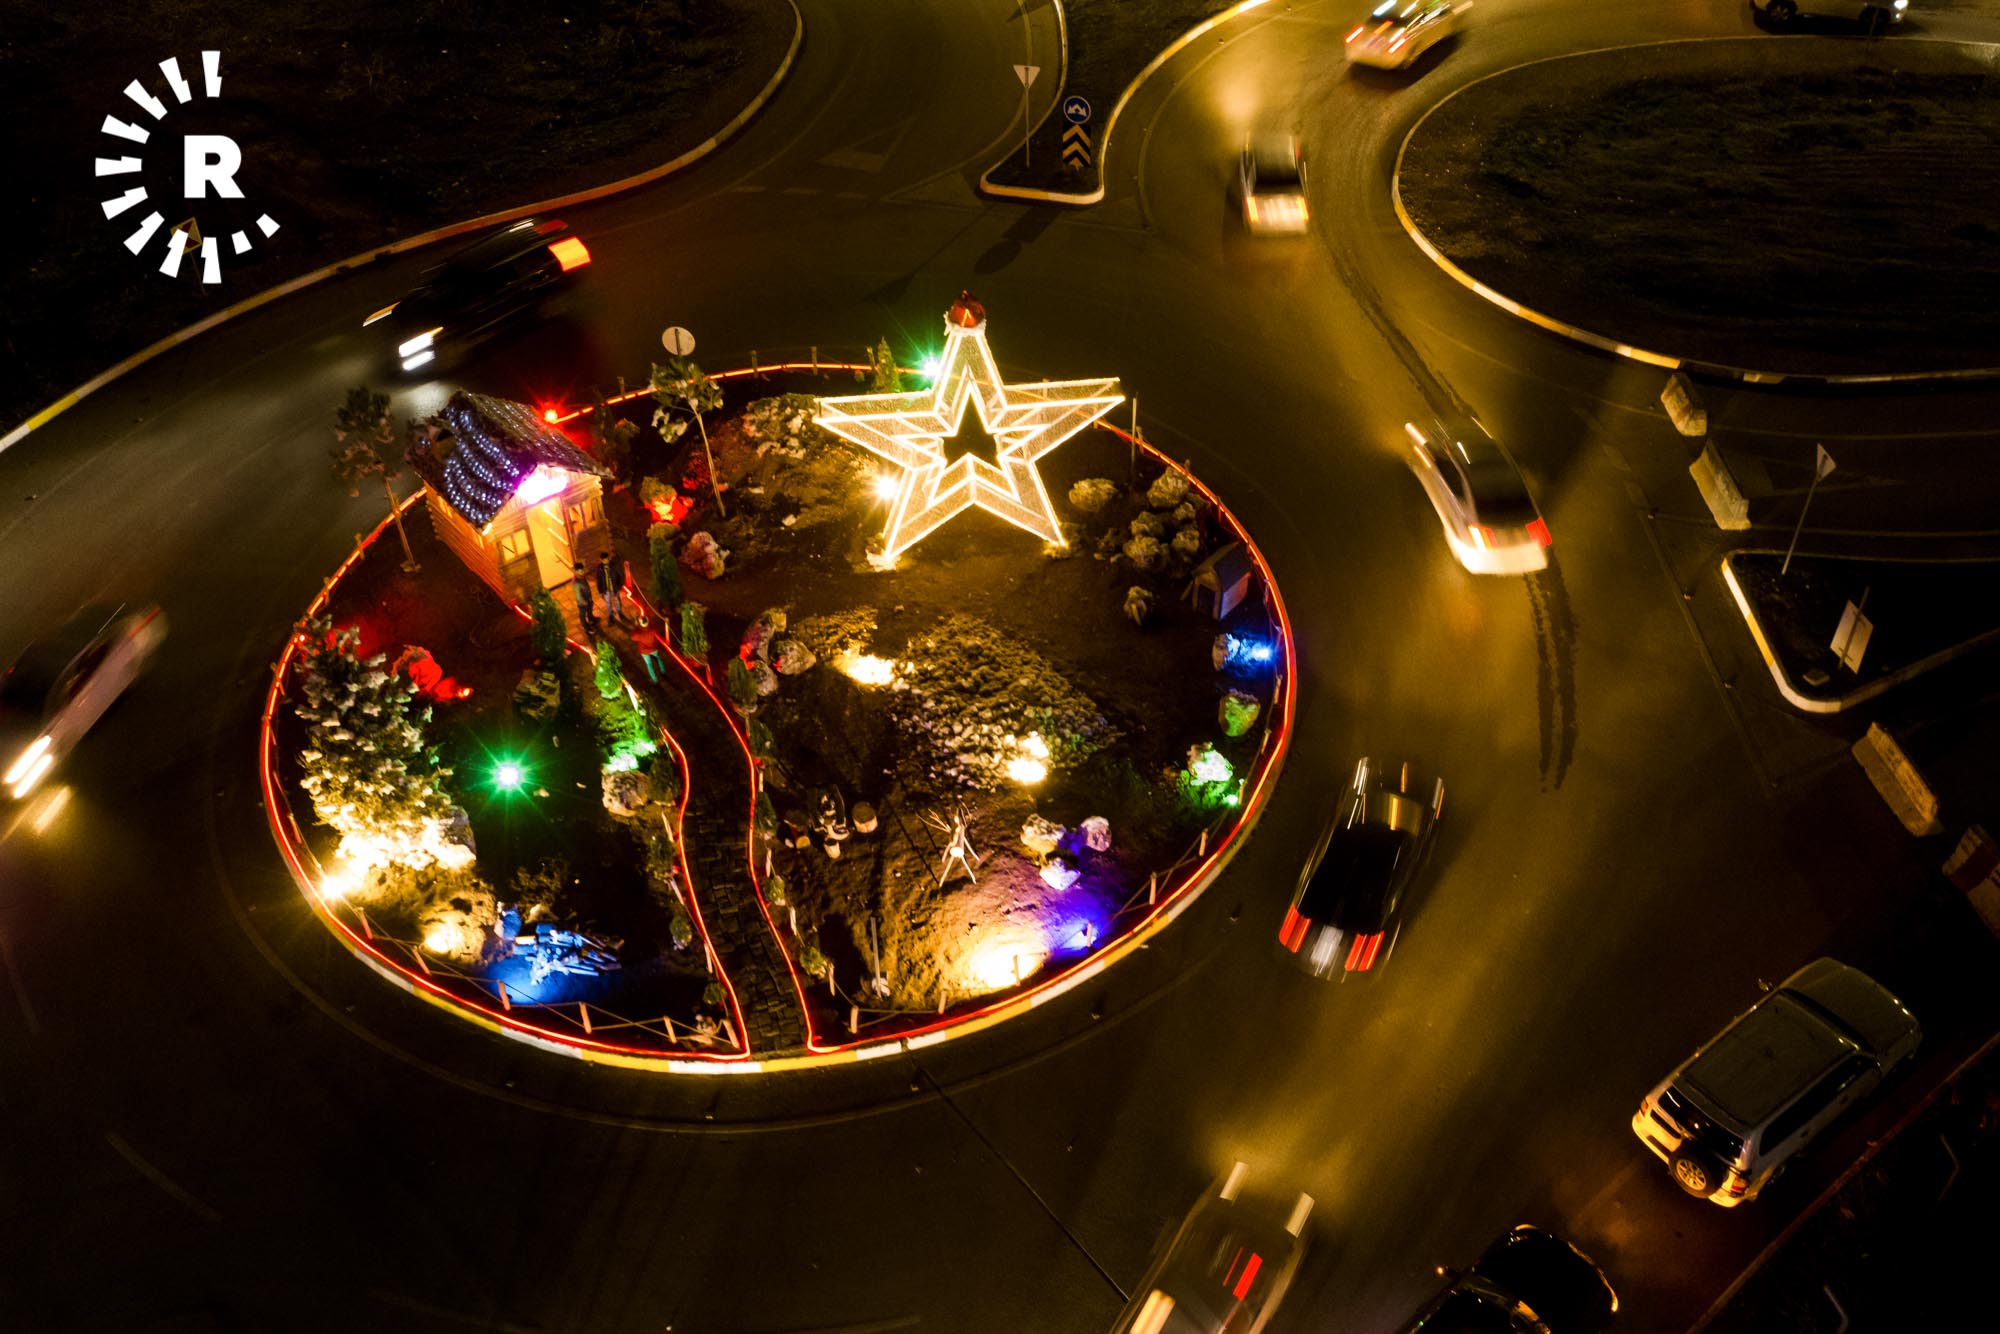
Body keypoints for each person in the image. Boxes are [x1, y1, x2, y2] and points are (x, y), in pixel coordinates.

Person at [597, 548, 628, 626]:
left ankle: (619, 612)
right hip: (606, 588)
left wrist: (620, 585)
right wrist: (600, 590)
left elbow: (621, 575)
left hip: (614, 587)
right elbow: (599, 579)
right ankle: (610, 615)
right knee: (608, 602)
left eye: (607, 559)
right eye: (604, 560)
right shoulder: (599, 568)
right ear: (601, 560)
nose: (606, 561)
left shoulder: (614, 565)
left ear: (608, 558)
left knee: (617, 600)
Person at [630, 614, 666, 682]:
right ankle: (663, 671)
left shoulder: (639, 633)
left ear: (641, 624)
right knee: (658, 658)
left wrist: (636, 626)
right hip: (653, 648)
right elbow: (654, 627)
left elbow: (632, 637)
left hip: (644, 651)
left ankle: (655, 679)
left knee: (649, 664)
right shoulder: (652, 629)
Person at [571, 561, 594, 625]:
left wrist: (589, 598)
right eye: (581, 571)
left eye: (583, 570)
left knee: (590, 610)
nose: (583, 572)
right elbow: (578, 596)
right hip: (582, 603)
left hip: (588, 598)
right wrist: (584, 602)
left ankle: (591, 619)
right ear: (576, 571)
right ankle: (586, 626)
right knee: (582, 614)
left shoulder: (582, 576)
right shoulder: (576, 582)